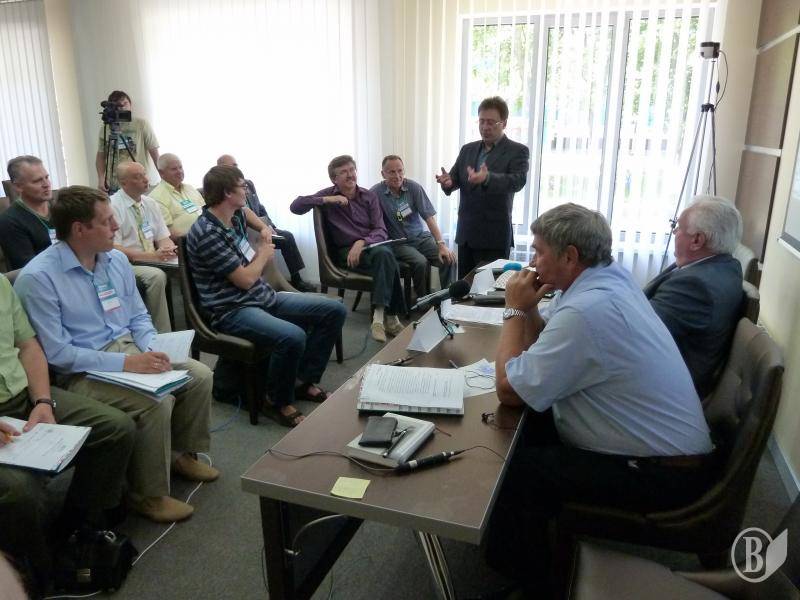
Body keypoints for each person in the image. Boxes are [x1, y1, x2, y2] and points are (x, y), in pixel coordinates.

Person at [487, 203, 713, 592]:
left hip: (660, 473)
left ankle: (533, 581)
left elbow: (508, 390)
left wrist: (513, 311)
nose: (532, 260)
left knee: (519, 473)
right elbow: (546, 342)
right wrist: (530, 310)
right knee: (526, 430)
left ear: (570, 256)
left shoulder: (588, 309)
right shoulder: (608, 279)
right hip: (664, 451)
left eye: (539, 251)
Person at [14, 186, 218, 524]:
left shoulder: (115, 260)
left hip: (128, 348)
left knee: (198, 375)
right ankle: (147, 494)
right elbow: (58, 353)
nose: (116, 227)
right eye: (107, 221)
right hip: (80, 369)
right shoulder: (39, 278)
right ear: (79, 229)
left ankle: (180, 456)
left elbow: (138, 316)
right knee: (155, 402)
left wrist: (152, 346)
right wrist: (128, 363)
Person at [0, 274, 135, 595]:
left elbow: (28, 346)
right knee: (20, 491)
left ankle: (74, 530)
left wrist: (42, 401)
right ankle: (37, 572)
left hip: (23, 397)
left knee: (115, 428)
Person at [187, 166, 346, 427]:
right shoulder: (207, 232)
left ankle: (301, 380)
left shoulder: (234, 214)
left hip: (261, 297)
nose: (247, 191)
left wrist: (263, 228)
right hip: (231, 309)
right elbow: (246, 279)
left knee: (334, 311)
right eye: (242, 186)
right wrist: (263, 253)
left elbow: (248, 213)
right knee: (292, 336)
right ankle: (276, 400)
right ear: (227, 193)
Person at [291, 155, 405, 343]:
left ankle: (378, 317)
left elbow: (381, 230)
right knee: (388, 259)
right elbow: (296, 206)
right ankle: (391, 319)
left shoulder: (369, 196)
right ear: (334, 179)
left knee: (385, 254)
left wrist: (361, 243)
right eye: (344, 172)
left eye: (352, 170)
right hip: (345, 253)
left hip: (369, 247)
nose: (350, 175)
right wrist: (328, 199)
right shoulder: (329, 195)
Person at [644, 195, 745, 397]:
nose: (674, 232)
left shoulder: (695, 287)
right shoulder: (727, 265)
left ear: (697, 240)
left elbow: (638, 330)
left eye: (678, 227)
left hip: (663, 388)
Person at [436, 96, 530, 278]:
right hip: (466, 233)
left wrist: (487, 178)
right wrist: (448, 182)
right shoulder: (468, 149)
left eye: (491, 122)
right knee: (464, 287)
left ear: (504, 123)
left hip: (493, 236)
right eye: (482, 121)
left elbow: (517, 181)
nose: (485, 127)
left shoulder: (517, 151)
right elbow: (455, 178)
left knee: (488, 289)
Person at [216, 154, 317, 292]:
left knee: (287, 236)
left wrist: (269, 226)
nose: (236, 168)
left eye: (236, 165)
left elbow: (260, 207)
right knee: (274, 244)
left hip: (260, 225)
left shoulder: (248, 184)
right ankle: (273, 283)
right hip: (245, 231)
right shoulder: (220, 192)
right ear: (221, 168)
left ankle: (296, 279)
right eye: (232, 166)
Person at [369, 155, 456, 296]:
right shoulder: (375, 193)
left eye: (400, 171)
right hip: (398, 243)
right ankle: (423, 300)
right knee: (420, 262)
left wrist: (441, 245)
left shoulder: (414, 188)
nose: (397, 176)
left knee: (449, 258)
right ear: (383, 174)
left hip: (420, 238)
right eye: (392, 172)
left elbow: (429, 217)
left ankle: (447, 299)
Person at [110, 162, 174, 333]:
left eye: (144, 174)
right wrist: (152, 256)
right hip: (127, 263)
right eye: (138, 177)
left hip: (152, 258)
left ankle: (193, 327)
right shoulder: (113, 206)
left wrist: (168, 249)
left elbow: (163, 237)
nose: (145, 179)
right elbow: (113, 248)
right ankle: (162, 334)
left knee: (186, 265)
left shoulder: (150, 203)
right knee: (156, 276)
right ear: (123, 183)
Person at [95, 90, 159, 193]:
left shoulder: (141, 124)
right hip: (115, 184)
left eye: (125, 103)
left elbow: (154, 152)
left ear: (130, 104)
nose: (122, 107)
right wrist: (101, 179)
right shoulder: (106, 128)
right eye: (118, 105)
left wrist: (163, 177)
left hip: (138, 182)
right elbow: (101, 156)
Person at [0, 156, 56, 271]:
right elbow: (29, 269)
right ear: (18, 186)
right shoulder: (9, 221)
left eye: (46, 177)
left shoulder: (61, 208)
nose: (46, 184)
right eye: (37, 181)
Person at [149, 153, 206, 238]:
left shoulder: (190, 188)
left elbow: (206, 211)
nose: (179, 171)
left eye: (180, 167)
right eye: (174, 169)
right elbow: (166, 232)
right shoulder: (156, 198)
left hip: (209, 233)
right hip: (188, 241)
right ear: (161, 173)